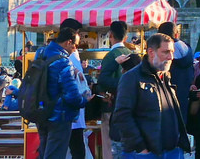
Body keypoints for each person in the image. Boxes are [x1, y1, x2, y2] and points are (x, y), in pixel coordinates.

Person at [111, 33, 191, 159]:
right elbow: (122, 115)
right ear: (151, 52)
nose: (171, 57)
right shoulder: (132, 78)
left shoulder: (165, 76)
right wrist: (141, 148)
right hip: (147, 153)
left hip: (172, 151)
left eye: (172, 52)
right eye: (165, 52)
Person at [37, 27, 90, 159]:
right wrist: (84, 100)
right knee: (55, 154)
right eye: (75, 45)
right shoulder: (63, 61)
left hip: (40, 111)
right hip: (58, 115)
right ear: (68, 42)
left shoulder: (41, 52)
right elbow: (71, 95)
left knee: (45, 152)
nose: (75, 49)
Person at [98, 20, 135, 159]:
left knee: (110, 146)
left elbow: (103, 80)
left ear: (110, 35)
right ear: (126, 36)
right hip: (129, 106)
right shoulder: (130, 53)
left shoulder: (110, 56)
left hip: (111, 105)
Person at [157, 22, 193, 125]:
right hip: (183, 93)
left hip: (167, 96)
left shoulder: (165, 52)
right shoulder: (186, 48)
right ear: (176, 34)